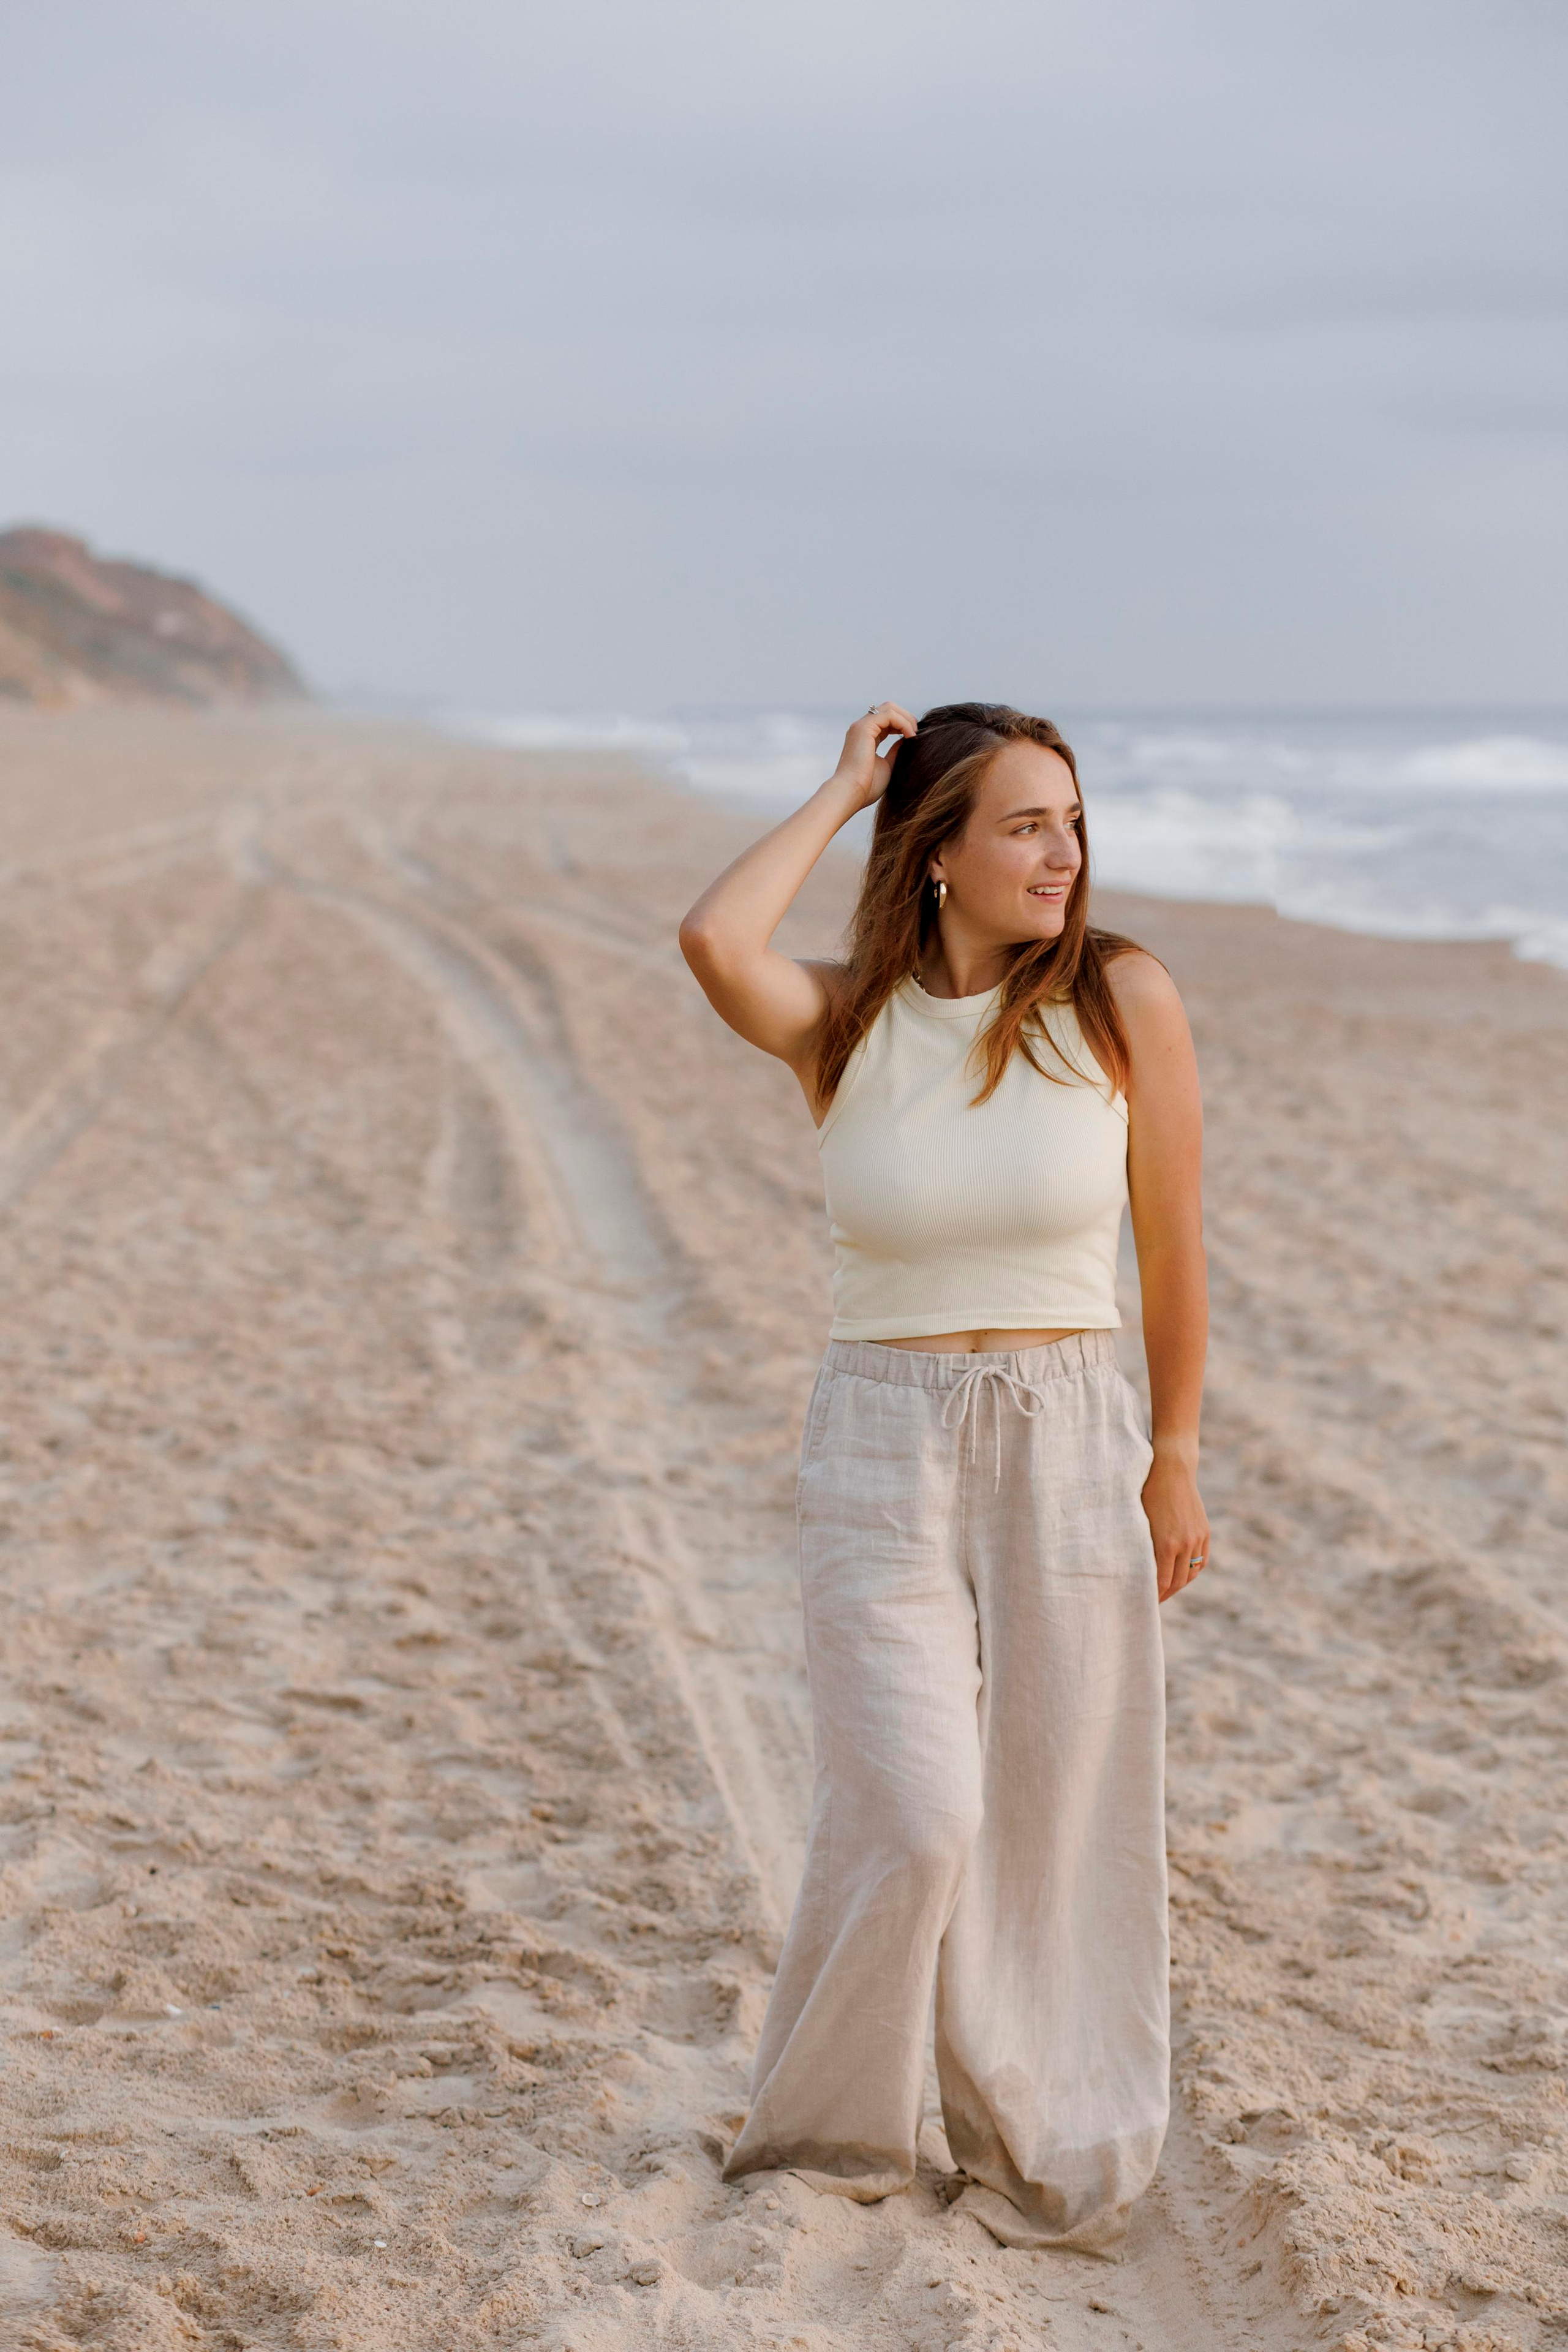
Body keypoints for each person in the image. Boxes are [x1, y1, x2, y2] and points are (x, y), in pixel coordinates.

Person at [678, 701, 1208, 2252]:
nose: (1064, 853)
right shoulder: (845, 1022)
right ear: (937, 857)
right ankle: (832, 2129)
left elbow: (1171, 1244)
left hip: (1067, 1428)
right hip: (879, 1437)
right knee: (912, 1812)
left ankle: (1041, 2134)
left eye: (1072, 820)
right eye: (1024, 825)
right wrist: (845, 786)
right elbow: (714, 937)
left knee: (1058, 1807)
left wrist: (1171, 1453)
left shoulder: (1118, 998)